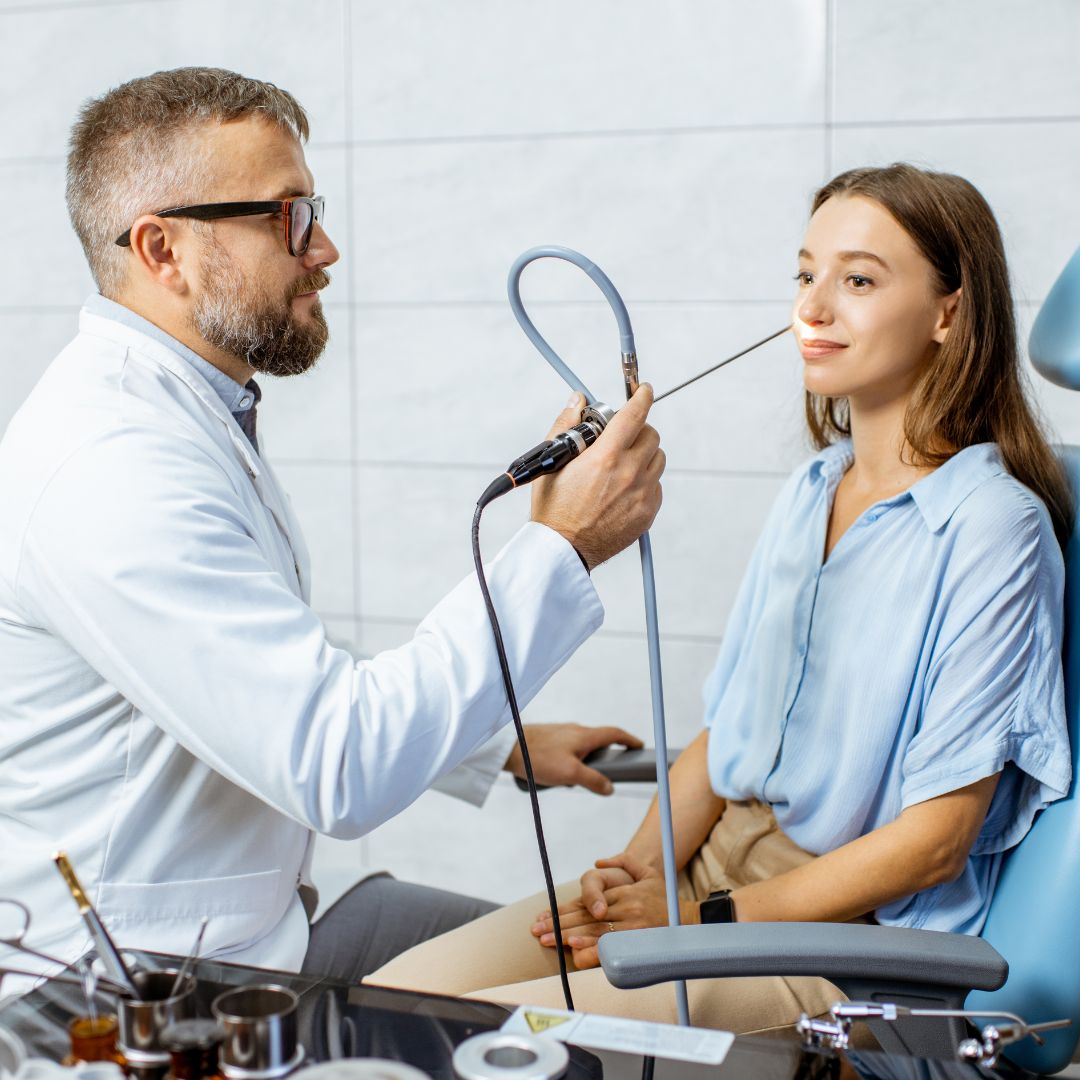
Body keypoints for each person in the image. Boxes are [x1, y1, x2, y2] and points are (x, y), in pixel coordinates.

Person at [0, 67, 666, 988]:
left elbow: (263, 662)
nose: (327, 249)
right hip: (129, 991)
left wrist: (500, 742)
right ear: (163, 250)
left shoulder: (187, 412)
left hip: (240, 936)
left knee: (595, 971)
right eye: (289, 217)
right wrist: (560, 547)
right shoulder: (110, 464)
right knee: (592, 1012)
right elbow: (336, 763)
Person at [370, 163, 1074, 1033]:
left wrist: (700, 925)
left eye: (858, 278)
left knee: (484, 1042)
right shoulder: (813, 490)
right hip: (702, 877)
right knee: (387, 1007)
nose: (813, 308)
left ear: (947, 312)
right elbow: (725, 734)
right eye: (806, 274)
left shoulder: (992, 527)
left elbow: (935, 841)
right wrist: (638, 873)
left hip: (834, 938)